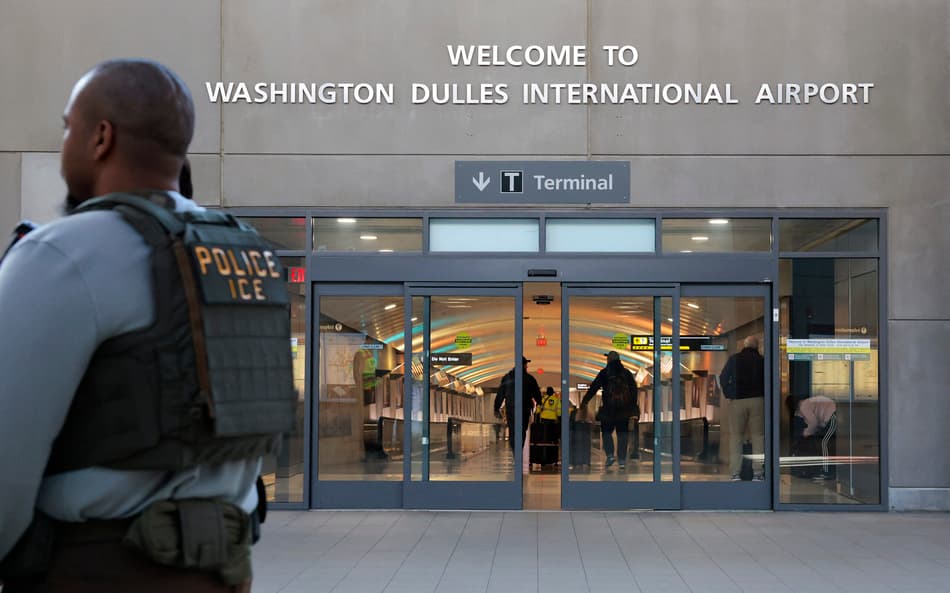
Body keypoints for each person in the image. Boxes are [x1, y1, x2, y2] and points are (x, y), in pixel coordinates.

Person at [0, 59, 295, 592]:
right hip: (221, 573)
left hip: (94, 569)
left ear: (100, 138)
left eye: (69, 126)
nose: (65, 141)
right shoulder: (250, 258)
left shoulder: (62, 255)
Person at [580, 351, 638, 470]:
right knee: (622, 434)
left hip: (608, 410)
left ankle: (610, 455)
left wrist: (584, 401)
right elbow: (634, 390)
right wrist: (632, 407)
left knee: (606, 433)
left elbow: (594, 387)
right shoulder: (626, 373)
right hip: (624, 410)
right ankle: (621, 460)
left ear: (609, 360)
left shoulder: (604, 373)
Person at [720, 335, 766, 481]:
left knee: (736, 437)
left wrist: (729, 393)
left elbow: (723, 377)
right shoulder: (762, 361)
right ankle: (758, 473)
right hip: (758, 400)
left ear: (744, 346)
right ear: (757, 347)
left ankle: (735, 473)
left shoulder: (734, 359)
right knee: (758, 437)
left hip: (738, 401)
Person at [493, 357, 542, 451]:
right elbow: (537, 393)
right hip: (524, 408)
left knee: (513, 430)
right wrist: (539, 402)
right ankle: (519, 449)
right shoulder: (529, 378)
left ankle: (515, 451)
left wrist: (496, 408)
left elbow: (500, 394)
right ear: (523, 365)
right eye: (526, 364)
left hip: (511, 409)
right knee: (522, 430)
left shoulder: (507, 378)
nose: (527, 366)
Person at [786, 395, 838, 480]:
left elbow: (813, 423)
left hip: (832, 417)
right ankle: (827, 470)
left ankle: (827, 472)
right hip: (830, 416)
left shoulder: (804, 406)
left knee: (824, 443)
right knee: (825, 443)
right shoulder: (803, 406)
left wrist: (805, 433)